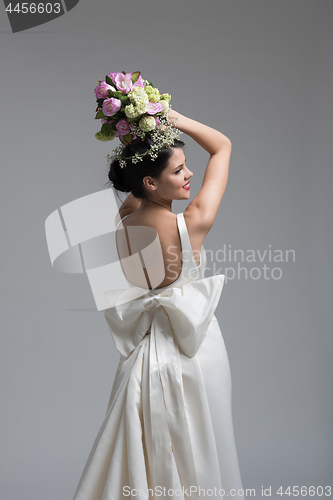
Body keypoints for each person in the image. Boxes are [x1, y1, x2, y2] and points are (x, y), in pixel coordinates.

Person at [72, 78, 244, 500]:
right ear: (150, 182)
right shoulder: (194, 224)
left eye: (186, 166)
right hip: (194, 350)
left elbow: (133, 193)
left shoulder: (122, 219)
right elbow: (222, 146)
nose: (189, 175)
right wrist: (173, 119)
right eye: (178, 170)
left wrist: (145, 132)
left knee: (140, 444)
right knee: (203, 444)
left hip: (143, 355)